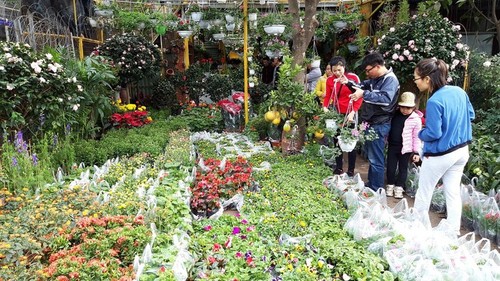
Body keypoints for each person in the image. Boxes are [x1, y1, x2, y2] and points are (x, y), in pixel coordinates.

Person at [412, 58, 474, 235]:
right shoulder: (459, 92)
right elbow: (471, 114)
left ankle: (417, 231)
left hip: (441, 154)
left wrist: (420, 133)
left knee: (424, 193)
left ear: (427, 79)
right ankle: (453, 230)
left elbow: (433, 133)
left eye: (416, 78)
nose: (415, 82)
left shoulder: (434, 101)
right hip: (462, 150)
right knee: (453, 192)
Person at [349, 52, 400, 191]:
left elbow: (385, 99)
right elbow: (362, 85)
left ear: (377, 66)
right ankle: (371, 184)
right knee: (371, 157)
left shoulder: (390, 80)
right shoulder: (376, 79)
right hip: (371, 122)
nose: (367, 74)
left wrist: (363, 94)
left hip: (380, 124)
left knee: (376, 159)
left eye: (368, 70)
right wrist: (348, 83)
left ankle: (376, 188)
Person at [323, 56, 362, 177]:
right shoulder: (330, 80)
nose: (337, 73)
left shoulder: (353, 78)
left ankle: (351, 169)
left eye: (339, 70)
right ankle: (339, 167)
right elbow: (328, 96)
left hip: (351, 112)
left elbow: (360, 95)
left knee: (351, 140)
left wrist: (353, 111)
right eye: (334, 70)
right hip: (337, 112)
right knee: (336, 139)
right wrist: (324, 107)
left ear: (344, 67)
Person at [386, 92, 423, 199]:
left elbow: (417, 136)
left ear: (413, 107)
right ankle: (390, 185)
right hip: (393, 146)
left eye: (408, 108)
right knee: (390, 167)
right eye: (403, 107)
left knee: (403, 168)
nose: (405, 110)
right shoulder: (394, 115)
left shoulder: (416, 119)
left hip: (406, 148)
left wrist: (416, 152)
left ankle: (399, 187)